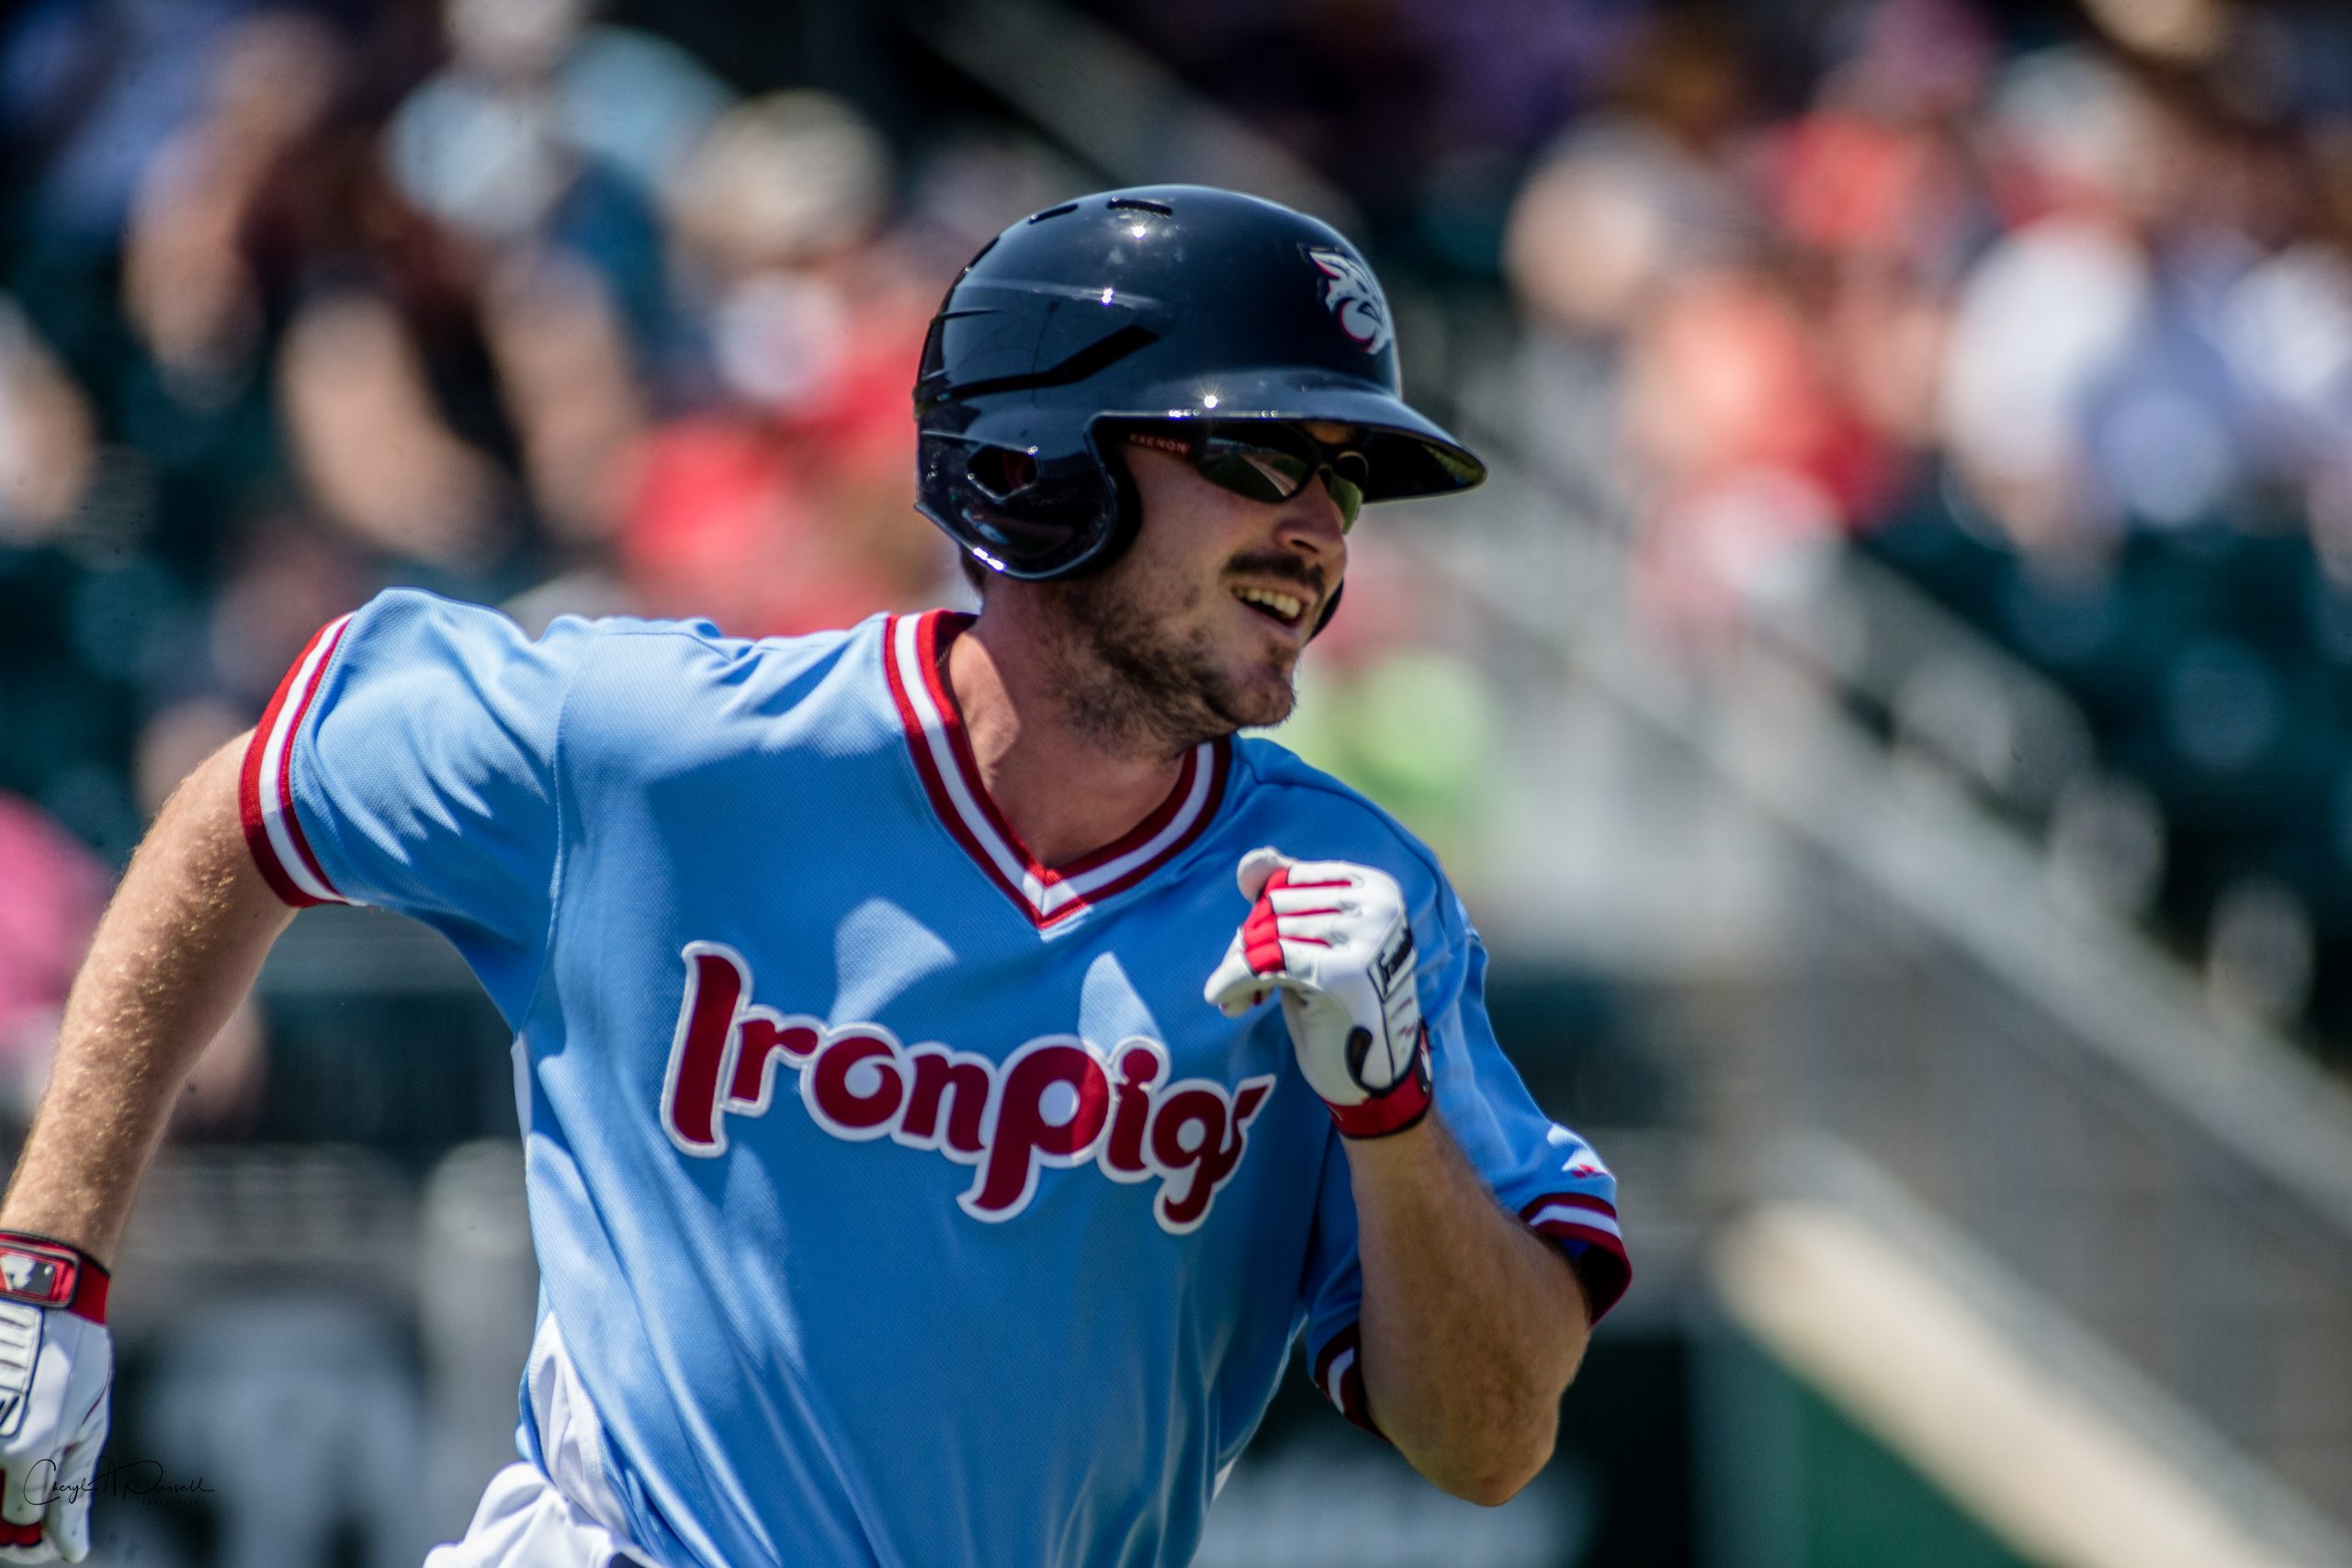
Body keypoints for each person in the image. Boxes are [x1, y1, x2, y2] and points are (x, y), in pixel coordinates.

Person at [0, 186, 1628, 1568]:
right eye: (1267, 458)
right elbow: (258, 800)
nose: (1323, 530)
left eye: (1349, 482)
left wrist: (1392, 1114)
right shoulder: (664, 749)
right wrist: (46, 1264)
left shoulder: (1355, 889)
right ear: (1043, 463)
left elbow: (1489, 1442)